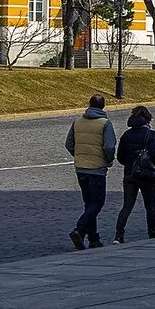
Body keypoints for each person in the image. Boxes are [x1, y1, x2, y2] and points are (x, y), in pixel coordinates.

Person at [65, 94, 116, 250]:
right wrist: (107, 160)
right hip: (97, 169)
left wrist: (79, 155)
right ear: (103, 106)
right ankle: (79, 230)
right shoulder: (105, 123)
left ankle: (93, 238)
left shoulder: (78, 122)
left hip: (80, 168)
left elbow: (69, 144)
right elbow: (109, 147)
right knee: (97, 203)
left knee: (89, 204)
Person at [114, 105, 155, 243]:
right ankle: (152, 233)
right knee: (150, 206)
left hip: (130, 174)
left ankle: (118, 235)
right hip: (146, 175)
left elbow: (120, 158)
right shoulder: (150, 134)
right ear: (147, 119)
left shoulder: (126, 135)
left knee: (127, 206)